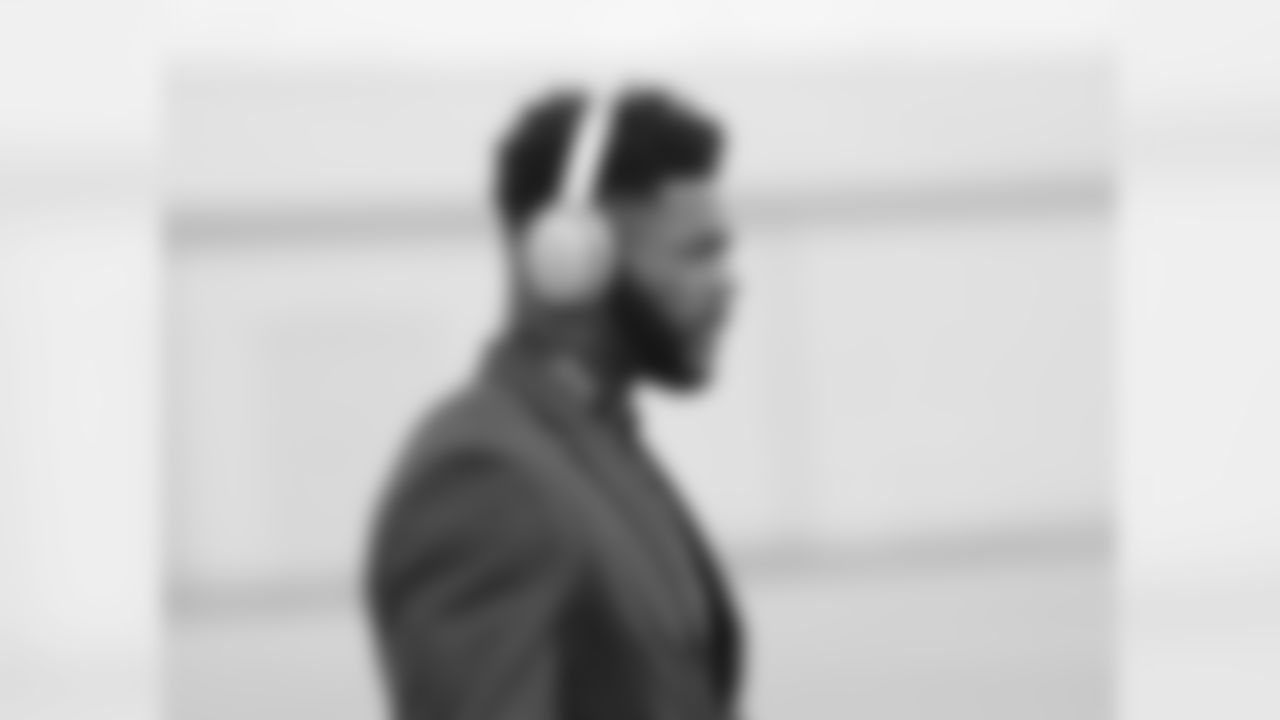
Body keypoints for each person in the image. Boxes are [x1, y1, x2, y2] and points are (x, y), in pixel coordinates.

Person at [364, 82, 743, 720]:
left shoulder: (599, 443)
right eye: (697, 253)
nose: (728, 285)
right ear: (567, 255)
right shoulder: (481, 480)